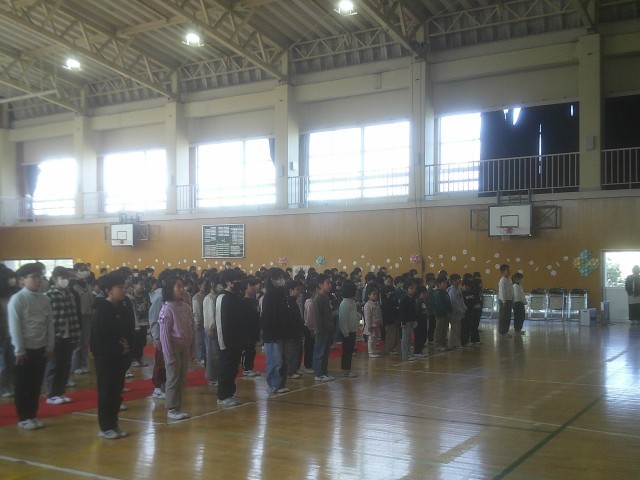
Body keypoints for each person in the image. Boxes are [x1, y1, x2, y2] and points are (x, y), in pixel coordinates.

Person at [7, 263, 54, 430]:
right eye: (33, 277)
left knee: (36, 384)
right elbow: (15, 327)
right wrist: (19, 350)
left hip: (40, 348)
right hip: (23, 350)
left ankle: (33, 414)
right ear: (22, 280)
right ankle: (24, 418)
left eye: (39, 277)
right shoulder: (17, 299)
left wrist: (49, 346)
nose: (38, 280)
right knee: (22, 385)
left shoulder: (45, 299)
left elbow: (49, 324)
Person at [91, 272, 134, 439]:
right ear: (108, 290)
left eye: (124, 287)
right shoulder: (101, 310)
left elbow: (128, 329)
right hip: (106, 358)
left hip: (120, 357)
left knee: (117, 391)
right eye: (119, 287)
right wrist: (118, 348)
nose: (123, 290)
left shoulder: (123, 306)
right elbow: (100, 338)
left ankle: (114, 423)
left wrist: (127, 345)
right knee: (106, 391)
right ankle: (105, 426)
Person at [158, 275, 194, 420]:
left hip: (185, 346)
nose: (182, 289)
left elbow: (191, 327)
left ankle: (178, 407)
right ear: (170, 289)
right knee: (173, 377)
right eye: (178, 286)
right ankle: (172, 408)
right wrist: (168, 354)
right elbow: (164, 335)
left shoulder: (186, 307)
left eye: (182, 286)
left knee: (182, 377)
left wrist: (192, 348)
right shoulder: (167, 308)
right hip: (173, 346)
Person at [44, 266, 81, 405]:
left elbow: (74, 316)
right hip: (55, 337)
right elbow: (46, 319)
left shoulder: (70, 295)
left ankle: (60, 392)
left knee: (65, 366)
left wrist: (76, 336)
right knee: (53, 366)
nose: (65, 281)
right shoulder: (49, 296)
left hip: (69, 335)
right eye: (62, 278)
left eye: (67, 278)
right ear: (55, 279)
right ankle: (51, 394)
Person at [216, 269, 248, 406]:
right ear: (228, 282)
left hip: (237, 338)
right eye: (237, 280)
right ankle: (223, 396)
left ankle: (230, 393)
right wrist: (223, 342)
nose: (239, 282)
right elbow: (220, 322)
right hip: (227, 340)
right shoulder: (222, 298)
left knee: (233, 367)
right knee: (226, 367)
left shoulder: (236, 297)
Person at [261, 268, 290, 394]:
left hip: (283, 332)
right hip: (273, 334)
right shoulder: (268, 296)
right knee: (275, 361)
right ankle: (273, 385)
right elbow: (267, 317)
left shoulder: (282, 294)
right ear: (272, 279)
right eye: (279, 277)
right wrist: (269, 333)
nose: (282, 280)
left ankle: (281, 384)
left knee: (283, 360)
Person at [70, 263, 94, 375]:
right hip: (77, 317)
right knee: (77, 343)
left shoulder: (88, 285)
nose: (85, 272)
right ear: (76, 272)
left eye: (86, 270)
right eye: (82, 270)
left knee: (85, 342)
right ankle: (75, 367)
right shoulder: (73, 286)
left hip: (88, 316)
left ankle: (84, 365)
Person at [312, 274, 335, 382]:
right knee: (319, 352)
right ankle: (318, 374)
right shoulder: (318, 298)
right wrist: (319, 330)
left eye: (330, 283)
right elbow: (317, 317)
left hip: (327, 328)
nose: (330, 285)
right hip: (321, 330)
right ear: (321, 285)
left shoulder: (326, 297)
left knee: (325, 352)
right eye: (327, 283)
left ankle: (324, 372)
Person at [128, 277, 151, 367]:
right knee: (135, 342)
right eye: (140, 284)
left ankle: (140, 358)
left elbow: (148, 308)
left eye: (143, 284)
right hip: (135, 323)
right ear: (134, 285)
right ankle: (133, 359)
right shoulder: (130, 297)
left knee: (142, 342)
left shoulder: (145, 296)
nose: (142, 286)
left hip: (144, 322)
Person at [338, 280, 359, 377]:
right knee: (346, 351)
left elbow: (354, 314)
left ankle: (348, 369)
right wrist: (345, 333)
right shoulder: (344, 304)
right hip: (347, 332)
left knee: (350, 351)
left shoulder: (352, 302)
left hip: (353, 330)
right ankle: (345, 370)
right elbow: (343, 319)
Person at [284, 279, 304, 379]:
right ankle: (290, 371)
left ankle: (295, 368)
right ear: (290, 290)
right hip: (292, 332)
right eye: (297, 289)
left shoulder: (294, 301)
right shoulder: (288, 302)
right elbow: (290, 318)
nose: (299, 292)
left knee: (298, 351)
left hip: (297, 331)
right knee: (292, 352)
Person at [241, 277, 261, 377]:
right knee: (247, 349)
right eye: (250, 286)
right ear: (245, 288)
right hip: (246, 330)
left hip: (254, 329)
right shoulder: (242, 302)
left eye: (254, 285)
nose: (253, 287)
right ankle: (246, 369)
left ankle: (250, 367)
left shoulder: (255, 301)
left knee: (252, 349)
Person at [399, 279, 419, 361]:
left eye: (413, 288)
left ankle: (411, 354)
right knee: (405, 338)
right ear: (406, 290)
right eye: (411, 288)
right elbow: (402, 312)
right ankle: (405, 355)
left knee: (410, 338)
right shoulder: (404, 299)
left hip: (411, 320)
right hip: (406, 321)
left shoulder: (413, 298)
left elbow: (414, 311)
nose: (413, 290)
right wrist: (403, 322)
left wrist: (415, 320)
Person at [192, 277, 209, 366]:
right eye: (204, 285)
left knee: (204, 341)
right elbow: (196, 311)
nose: (206, 287)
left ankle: (203, 356)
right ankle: (199, 357)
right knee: (199, 341)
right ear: (199, 286)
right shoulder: (196, 297)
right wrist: (198, 322)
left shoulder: (206, 295)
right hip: (200, 322)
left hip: (205, 321)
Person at [363, 283, 382, 358]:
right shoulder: (367, 305)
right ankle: (370, 352)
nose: (376, 296)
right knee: (371, 338)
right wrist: (369, 326)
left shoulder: (376, 303)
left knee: (375, 338)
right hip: (371, 325)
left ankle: (373, 350)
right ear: (368, 295)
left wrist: (380, 322)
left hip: (377, 324)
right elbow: (367, 317)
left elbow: (379, 313)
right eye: (373, 294)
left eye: (376, 294)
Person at [434, 275, 452, 352]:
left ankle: (444, 344)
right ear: (439, 284)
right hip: (440, 315)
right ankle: (437, 345)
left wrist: (450, 311)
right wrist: (446, 312)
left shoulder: (445, 292)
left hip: (446, 314)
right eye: (443, 283)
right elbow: (439, 305)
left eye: (446, 283)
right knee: (439, 330)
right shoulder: (438, 293)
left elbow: (448, 302)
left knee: (445, 330)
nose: (445, 284)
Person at [447, 274, 466, 350]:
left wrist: (464, 308)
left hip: (459, 312)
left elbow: (461, 300)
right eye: (458, 279)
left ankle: (457, 343)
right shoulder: (451, 290)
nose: (460, 280)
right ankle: (454, 344)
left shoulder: (458, 289)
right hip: (454, 313)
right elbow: (453, 303)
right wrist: (460, 310)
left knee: (458, 329)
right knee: (454, 329)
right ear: (453, 281)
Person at [498, 264, 514, 337]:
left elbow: (511, 290)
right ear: (503, 271)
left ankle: (505, 331)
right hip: (504, 301)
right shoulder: (502, 280)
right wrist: (504, 301)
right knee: (503, 317)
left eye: (509, 270)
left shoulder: (509, 279)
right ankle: (502, 332)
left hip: (509, 300)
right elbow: (502, 292)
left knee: (508, 317)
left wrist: (512, 299)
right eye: (507, 270)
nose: (509, 271)